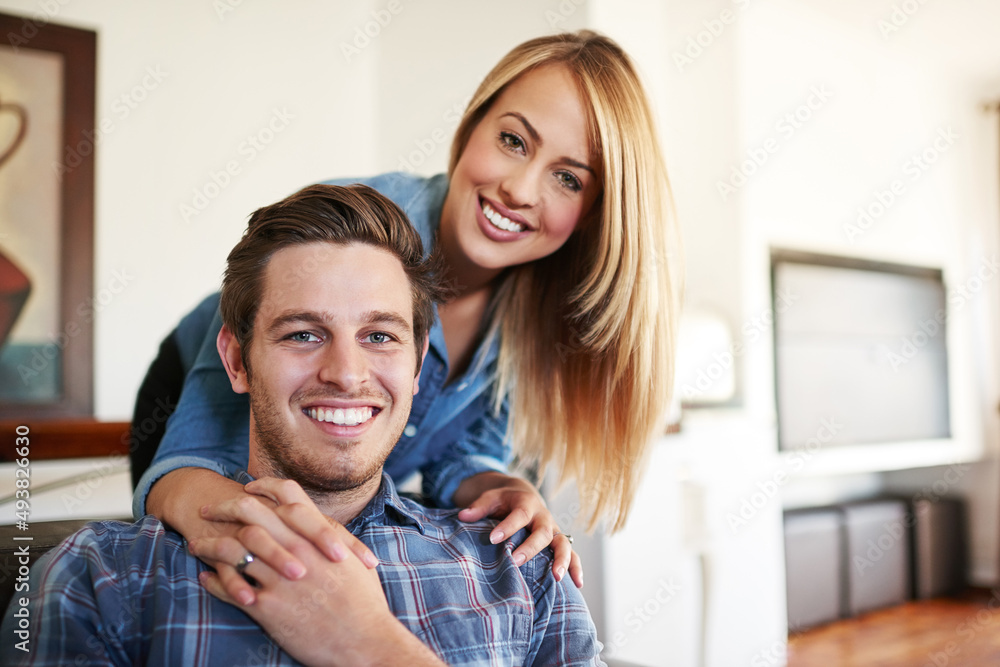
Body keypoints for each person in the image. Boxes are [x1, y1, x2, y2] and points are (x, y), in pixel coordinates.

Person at [133, 29, 682, 604]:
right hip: (187, 391)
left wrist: (500, 486)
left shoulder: (542, 313)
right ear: (472, 127)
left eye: (568, 178)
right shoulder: (353, 232)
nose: (520, 188)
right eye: (513, 140)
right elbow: (184, 464)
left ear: (594, 215)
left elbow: (459, 456)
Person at [2, 184, 604, 667]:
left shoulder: (524, 572)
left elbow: (470, 452)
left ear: (420, 366)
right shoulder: (99, 580)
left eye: (379, 336)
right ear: (236, 360)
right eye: (303, 334)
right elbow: (178, 465)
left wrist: (370, 646)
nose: (346, 373)